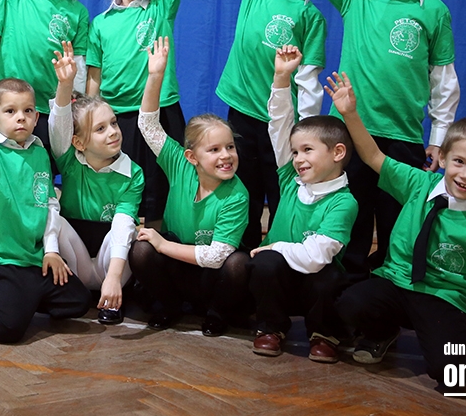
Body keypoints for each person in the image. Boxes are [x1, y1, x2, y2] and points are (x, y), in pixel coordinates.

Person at [327, 72, 466, 393]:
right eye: (459, 161)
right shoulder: (418, 183)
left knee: (453, 377)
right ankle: (382, 332)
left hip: (442, 297)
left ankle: (464, 349)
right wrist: (350, 113)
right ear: (443, 158)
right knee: (350, 302)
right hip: (395, 282)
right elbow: (373, 156)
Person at [298, 0, 459, 279]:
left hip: (403, 139)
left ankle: (385, 304)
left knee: (395, 228)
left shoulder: (433, 10)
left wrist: (438, 138)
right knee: (348, 226)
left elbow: (444, 81)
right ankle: (341, 303)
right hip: (350, 135)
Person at [217, 0, 328, 250]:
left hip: (282, 125)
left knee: (281, 194)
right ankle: (237, 261)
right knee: (242, 194)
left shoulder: (311, 17)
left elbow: (309, 81)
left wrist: (305, 132)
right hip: (241, 113)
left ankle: (278, 259)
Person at [0, 77, 91, 344]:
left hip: (34, 259)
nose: (20, 118)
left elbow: (49, 203)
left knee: (78, 301)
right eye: (10, 111)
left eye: (28, 111)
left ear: (37, 117)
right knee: (7, 330)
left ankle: (22, 298)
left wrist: (51, 250)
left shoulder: (40, 152)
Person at [130, 37, 250, 334]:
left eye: (230, 147)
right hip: (178, 268)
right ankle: (168, 306)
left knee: (237, 263)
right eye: (214, 150)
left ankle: (218, 314)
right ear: (191, 157)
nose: (226, 156)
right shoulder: (179, 164)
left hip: (211, 276)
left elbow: (216, 257)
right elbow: (148, 125)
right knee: (141, 250)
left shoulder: (237, 195)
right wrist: (155, 76)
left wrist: (163, 244)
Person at [248, 45, 356, 362]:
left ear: (337, 153)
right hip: (282, 281)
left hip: (314, 283)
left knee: (328, 276)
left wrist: (275, 246)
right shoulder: (289, 179)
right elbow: (280, 122)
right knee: (264, 264)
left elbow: (315, 258)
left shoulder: (344, 202)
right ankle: (270, 327)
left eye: (308, 150)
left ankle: (323, 334)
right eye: (295, 152)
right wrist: (282, 78)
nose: (298, 159)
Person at [87, 0, 185, 225]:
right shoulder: (100, 24)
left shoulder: (161, 9)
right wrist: (91, 118)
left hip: (161, 112)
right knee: (124, 192)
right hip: (119, 117)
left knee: (163, 190)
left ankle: (159, 248)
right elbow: (94, 79)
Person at [48, 41, 143, 325]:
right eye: (100, 129)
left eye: (114, 123)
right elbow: (59, 126)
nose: (113, 132)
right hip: (76, 257)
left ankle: (112, 298)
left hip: (109, 264)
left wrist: (113, 278)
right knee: (51, 216)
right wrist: (65, 84)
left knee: (129, 230)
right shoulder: (70, 160)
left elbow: (123, 224)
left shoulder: (133, 173)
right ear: (78, 143)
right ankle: (67, 291)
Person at [0, 0, 89, 152]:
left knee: (44, 169)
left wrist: (74, 106)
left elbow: (78, 65)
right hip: (8, 107)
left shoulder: (77, 11)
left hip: (49, 111)